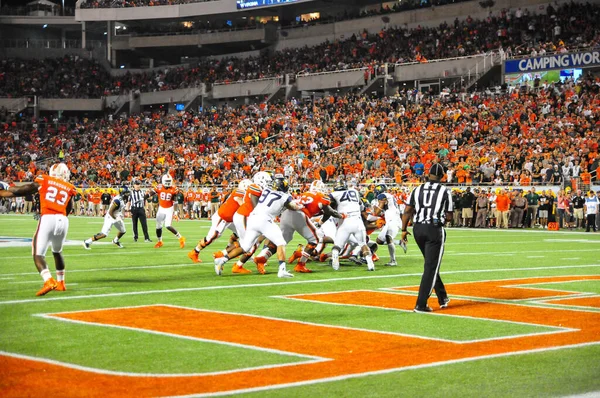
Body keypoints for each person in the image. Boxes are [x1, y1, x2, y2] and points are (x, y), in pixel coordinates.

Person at [0, 163, 77, 296]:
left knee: (37, 253)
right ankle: (61, 283)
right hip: (63, 220)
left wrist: (4, 193)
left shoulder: (45, 179)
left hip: (48, 217)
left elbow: (23, 190)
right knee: (57, 251)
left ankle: (48, 280)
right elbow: (69, 207)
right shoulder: (70, 187)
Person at [215, 175, 303, 278]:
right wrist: (299, 206)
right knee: (281, 242)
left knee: (245, 246)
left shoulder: (266, 190)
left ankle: (222, 260)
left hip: (253, 218)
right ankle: (282, 270)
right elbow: (292, 206)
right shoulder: (285, 196)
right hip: (264, 220)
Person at [401, 163, 452, 313]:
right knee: (431, 267)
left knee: (431, 265)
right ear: (442, 176)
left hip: (418, 229)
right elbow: (449, 216)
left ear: (428, 174)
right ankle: (421, 304)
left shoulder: (417, 189)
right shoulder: (444, 191)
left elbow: (407, 210)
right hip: (433, 229)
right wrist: (441, 218)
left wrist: (404, 230)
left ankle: (442, 297)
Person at [329, 180, 375, 272]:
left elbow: (329, 207)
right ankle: (370, 264)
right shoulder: (354, 192)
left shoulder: (334, 194)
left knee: (337, 246)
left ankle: (335, 255)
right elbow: (362, 207)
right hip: (357, 220)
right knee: (363, 244)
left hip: (345, 221)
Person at [373, 183, 406, 266]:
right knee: (379, 241)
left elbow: (377, 212)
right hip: (391, 219)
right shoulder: (389, 196)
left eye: (376, 191)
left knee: (388, 237)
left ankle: (393, 260)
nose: (375, 192)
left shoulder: (383, 195)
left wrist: (375, 208)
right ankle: (399, 242)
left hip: (393, 219)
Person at [151, 174, 185, 249]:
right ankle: (160, 241)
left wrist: (175, 213)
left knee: (167, 225)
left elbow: (175, 201)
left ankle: (181, 238)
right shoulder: (159, 187)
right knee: (158, 226)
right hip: (161, 208)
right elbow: (152, 192)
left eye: (169, 181)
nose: (167, 182)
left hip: (169, 208)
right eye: (166, 181)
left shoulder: (174, 189)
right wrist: (147, 195)